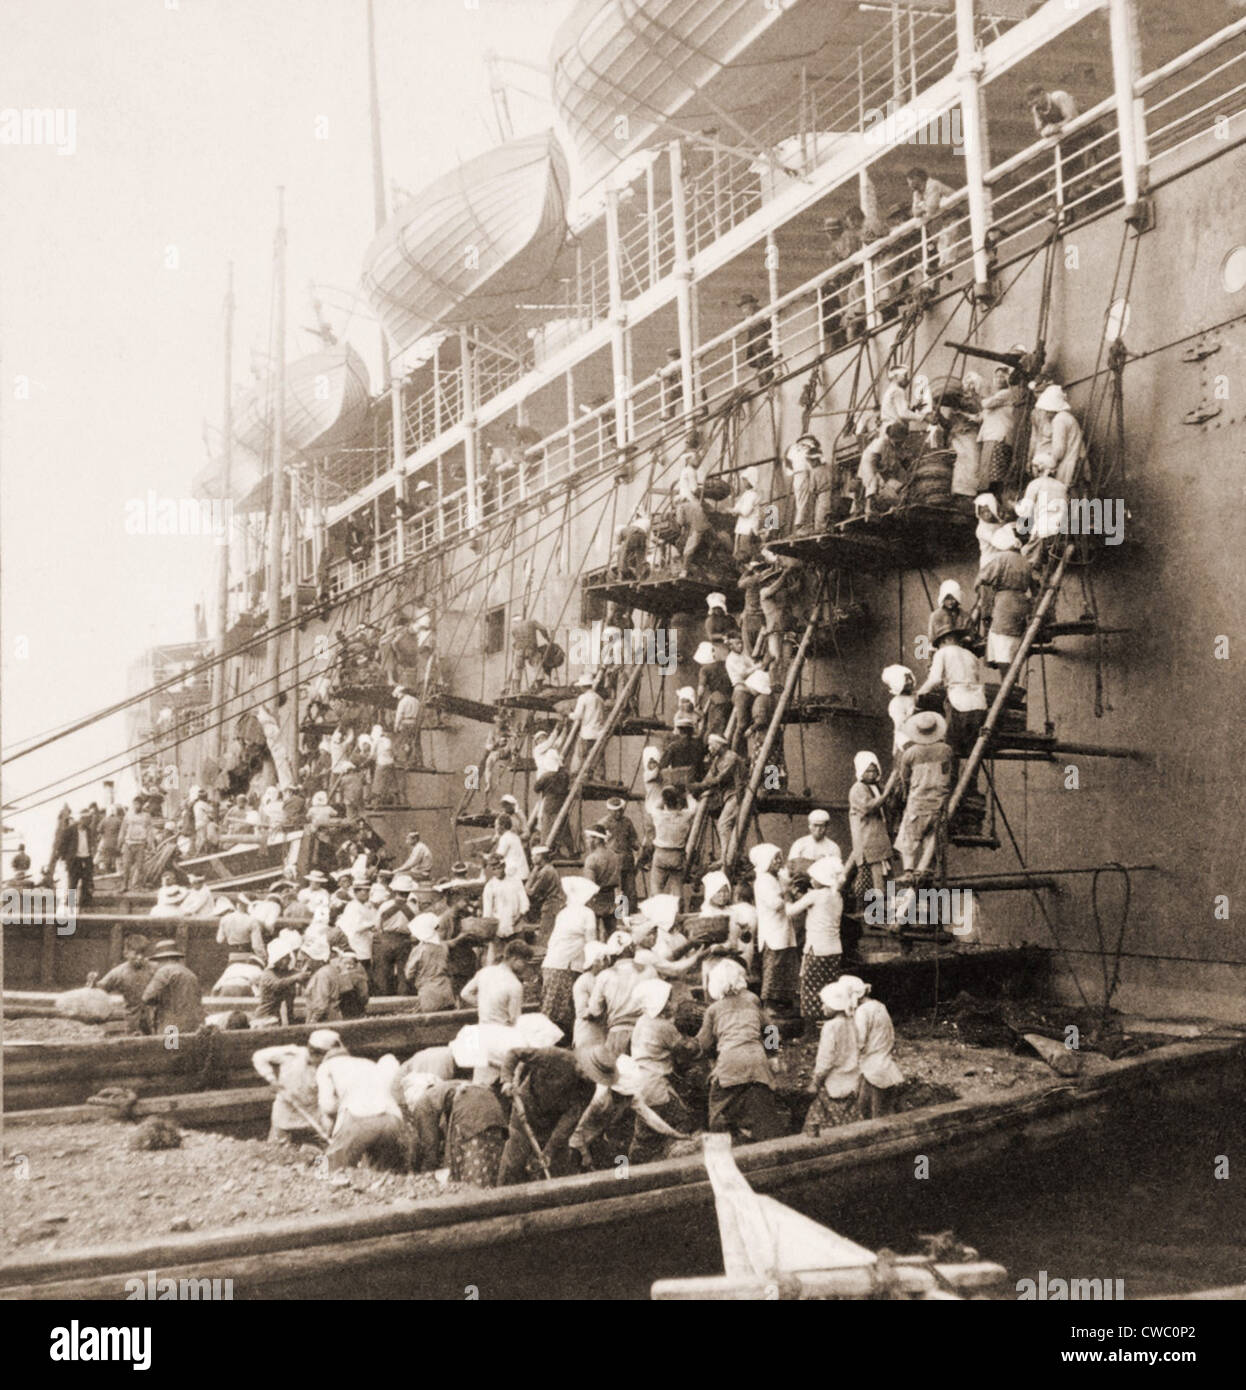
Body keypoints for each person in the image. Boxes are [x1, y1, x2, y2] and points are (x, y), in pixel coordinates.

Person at [694, 958, 786, 1144]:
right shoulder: (752, 999)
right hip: (756, 1058)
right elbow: (770, 1029)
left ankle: (722, 1142)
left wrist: (704, 1056)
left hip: (730, 1060)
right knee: (762, 1105)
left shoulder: (713, 1009)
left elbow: (703, 1044)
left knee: (718, 1107)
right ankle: (768, 1142)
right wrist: (773, 1055)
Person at [497, 1044, 604, 1183]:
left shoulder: (589, 1087)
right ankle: (503, 1196)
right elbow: (514, 1052)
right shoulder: (555, 1056)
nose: (589, 1078)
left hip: (552, 1123)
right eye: (589, 1073)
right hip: (525, 1110)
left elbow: (569, 1121)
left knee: (556, 1167)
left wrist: (549, 1152)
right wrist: (506, 1080)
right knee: (515, 1161)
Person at [622, 978, 698, 1165]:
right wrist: (695, 1041)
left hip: (642, 1083)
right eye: (669, 1000)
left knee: (645, 1133)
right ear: (660, 1004)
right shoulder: (663, 1027)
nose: (672, 1004)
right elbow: (687, 1050)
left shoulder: (642, 1021)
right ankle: (673, 1160)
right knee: (683, 1120)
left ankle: (632, 1170)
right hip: (655, 1084)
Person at [316, 1036, 406, 1172]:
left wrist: (333, 1124)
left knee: (327, 1171)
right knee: (386, 1176)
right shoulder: (367, 1063)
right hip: (393, 1119)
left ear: (319, 1055)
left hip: (358, 1118)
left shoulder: (325, 1067)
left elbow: (328, 1106)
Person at [788, 856, 846, 1031]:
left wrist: (785, 896)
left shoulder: (814, 895)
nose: (811, 880)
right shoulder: (837, 896)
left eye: (814, 878)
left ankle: (810, 1030)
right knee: (829, 987)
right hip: (835, 949)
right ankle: (829, 1024)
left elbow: (790, 911)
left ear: (821, 880)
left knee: (810, 988)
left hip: (817, 949)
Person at [894, 711, 954, 873]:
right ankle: (928, 871)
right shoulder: (946, 750)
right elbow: (949, 774)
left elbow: (904, 779)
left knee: (907, 841)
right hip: (938, 804)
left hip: (918, 804)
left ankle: (909, 872)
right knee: (931, 839)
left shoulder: (910, 754)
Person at [917, 627, 987, 762]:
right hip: (978, 702)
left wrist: (920, 693)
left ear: (945, 640)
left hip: (959, 702)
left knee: (951, 749)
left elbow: (935, 679)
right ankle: (971, 781)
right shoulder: (970, 655)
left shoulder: (942, 653)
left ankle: (952, 780)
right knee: (973, 752)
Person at [541, 876, 598, 1036]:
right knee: (565, 1009)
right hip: (567, 965)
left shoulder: (564, 912)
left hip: (552, 963)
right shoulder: (587, 913)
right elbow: (591, 942)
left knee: (552, 1008)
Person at [841, 976, 905, 1118]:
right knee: (867, 1109)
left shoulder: (862, 1012)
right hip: (880, 1066)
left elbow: (858, 1042)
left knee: (877, 1116)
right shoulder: (879, 1006)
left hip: (874, 1069)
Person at [804, 979, 861, 1133]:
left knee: (817, 1126)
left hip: (833, 1084)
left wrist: (815, 1081)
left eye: (825, 1004)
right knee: (850, 1124)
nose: (822, 1007)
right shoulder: (852, 1022)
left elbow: (825, 1060)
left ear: (834, 1005)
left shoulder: (830, 1027)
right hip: (852, 1082)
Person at [976, 523, 1032, 671]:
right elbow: (1034, 585)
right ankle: (1013, 683)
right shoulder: (1025, 561)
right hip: (1021, 602)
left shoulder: (1001, 558)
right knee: (1014, 647)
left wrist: (985, 608)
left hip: (1005, 604)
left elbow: (982, 579)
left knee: (1002, 647)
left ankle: (1007, 686)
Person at [750, 843, 797, 1016]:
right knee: (773, 966)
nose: (779, 861)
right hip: (773, 931)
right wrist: (786, 891)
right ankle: (769, 1003)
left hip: (784, 929)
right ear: (765, 861)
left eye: (779, 857)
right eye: (774, 858)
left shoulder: (777, 878)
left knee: (786, 966)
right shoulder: (762, 881)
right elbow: (776, 904)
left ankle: (783, 1001)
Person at [252, 1036, 324, 1143]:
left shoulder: (329, 1064)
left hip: (313, 1113)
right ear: (312, 1051)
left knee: (317, 1151)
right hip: (285, 1111)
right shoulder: (293, 1054)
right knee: (278, 1150)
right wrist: (271, 1079)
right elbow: (259, 1057)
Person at [689, 733, 745, 855]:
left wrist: (700, 786)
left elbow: (719, 778)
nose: (709, 749)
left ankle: (727, 856)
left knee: (723, 825)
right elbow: (709, 777)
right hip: (727, 795)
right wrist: (701, 786)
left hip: (737, 795)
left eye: (711, 746)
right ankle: (729, 854)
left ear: (718, 745)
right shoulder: (717, 759)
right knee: (724, 824)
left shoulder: (731, 757)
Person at [1015, 450, 1069, 575]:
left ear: (1039, 468)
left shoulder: (1035, 484)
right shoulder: (1062, 486)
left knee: (1022, 559)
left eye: (1034, 467)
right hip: (1060, 533)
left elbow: (1025, 512)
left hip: (1042, 533)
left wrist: (1015, 505)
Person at [849, 751, 893, 901]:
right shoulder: (858, 788)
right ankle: (879, 910)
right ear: (861, 771)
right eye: (868, 771)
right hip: (869, 840)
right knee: (877, 880)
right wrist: (886, 794)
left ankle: (889, 906)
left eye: (874, 770)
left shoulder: (877, 787)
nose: (872, 774)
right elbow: (868, 807)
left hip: (880, 839)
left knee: (887, 878)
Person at [89, 935, 154, 1034]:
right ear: (126, 953)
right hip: (133, 1023)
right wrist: (92, 983)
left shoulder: (154, 968)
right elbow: (100, 989)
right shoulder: (119, 973)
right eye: (136, 953)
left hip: (154, 1021)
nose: (140, 957)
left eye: (143, 953)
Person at [140, 940, 204, 1036]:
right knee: (186, 1051)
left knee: (170, 1049)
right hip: (193, 1027)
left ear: (162, 959)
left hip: (171, 1028)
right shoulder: (190, 973)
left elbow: (147, 997)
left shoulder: (164, 971)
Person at [461, 939, 530, 1026]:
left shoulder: (484, 971)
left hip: (483, 1029)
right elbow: (515, 1019)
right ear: (514, 959)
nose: (525, 967)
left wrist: (486, 1004)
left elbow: (465, 994)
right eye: (524, 962)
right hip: (502, 1032)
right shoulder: (515, 984)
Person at [906, 165, 955, 278]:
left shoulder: (933, 185)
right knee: (941, 240)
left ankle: (946, 266)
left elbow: (932, 207)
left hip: (954, 212)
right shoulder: (917, 193)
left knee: (948, 237)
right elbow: (914, 211)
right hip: (942, 218)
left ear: (917, 178)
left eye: (910, 181)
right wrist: (922, 208)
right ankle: (943, 267)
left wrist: (922, 208)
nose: (909, 185)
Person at [978, 367, 1021, 496]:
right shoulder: (998, 396)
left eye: (1003, 376)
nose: (999, 379)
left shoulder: (1006, 393)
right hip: (992, 436)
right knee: (990, 474)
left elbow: (986, 404)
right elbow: (981, 416)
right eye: (997, 376)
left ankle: (994, 502)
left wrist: (979, 395)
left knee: (994, 476)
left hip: (998, 436)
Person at [404, 912, 457, 1012]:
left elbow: (409, 974)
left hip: (428, 992)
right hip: (446, 990)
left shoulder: (419, 950)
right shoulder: (443, 946)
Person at [648, 786, 696, 896]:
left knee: (656, 887)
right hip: (677, 854)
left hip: (661, 853)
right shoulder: (685, 815)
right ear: (678, 802)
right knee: (677, 887)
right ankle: (677, 910)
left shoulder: (658, 815)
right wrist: (687, 794)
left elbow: (653, 806)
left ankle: (655, 909)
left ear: (665, 802)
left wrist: (666, 791)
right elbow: (694, 807)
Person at [1032, 384, 1082, 487]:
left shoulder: (1059, 420)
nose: (1045, 413)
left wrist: (1047, 463)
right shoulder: (1066, 417)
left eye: (1046, 410)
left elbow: (1059, 449)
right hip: (1076, 460)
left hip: (1069, 464)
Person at [595, 798, 641, 909]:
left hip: (627, 860)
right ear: (609, 810)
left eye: (620, 810)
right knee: (616, 890)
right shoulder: (602, 824)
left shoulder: (627, 822)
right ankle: (617, 916)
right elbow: (597, 844)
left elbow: (633, 839)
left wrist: (639, 847)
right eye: (615, 811)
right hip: (612, 862)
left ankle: (631, 913)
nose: (618, 813)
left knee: (630, 890)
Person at [533, 741, 576, 857]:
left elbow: (536, 788)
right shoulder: (564, 774)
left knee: (546, 829)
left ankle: (546, 853)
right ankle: (571, 852)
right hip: (562, 804)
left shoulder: (546, 776)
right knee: (564, 828)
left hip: (550, 804)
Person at [782, 434, 823, 532]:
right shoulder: (811, 446)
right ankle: (801, 526)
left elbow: (786, 463)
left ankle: (801, 526)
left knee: (800, 500)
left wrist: (792, 472)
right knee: (806, 500)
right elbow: (819, 462)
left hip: (797, 475)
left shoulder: (792, 448)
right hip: (806, 473)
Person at [694, 640, 733, 739]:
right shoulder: (725, 664)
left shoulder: (705, 670)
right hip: (731, 699)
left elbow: (701, 689)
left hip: (718, 701)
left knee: (713, 729)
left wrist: (697, 703)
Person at [570, 674, 608, 772]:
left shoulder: (583, 698)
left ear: (583, 687)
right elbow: (604, 716)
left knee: (582, 755)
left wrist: (569, 714)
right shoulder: (600, 699)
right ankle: (598, 776)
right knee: (597, 757)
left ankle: (583, 775)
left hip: (587, 733)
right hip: (598, 733)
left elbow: (577, 715)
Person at [737, 291, 775, 386]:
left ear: (752, 304)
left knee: (766, 374)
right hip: (759, 352)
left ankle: (766, 386)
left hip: (765, 349)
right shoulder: (751, 318)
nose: (744, 311)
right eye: (742, 308)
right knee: (763, 374)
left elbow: (769, 327)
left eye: (745, 307)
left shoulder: (761, 314)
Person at [881, 664, 917, 754]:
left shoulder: (916, 696)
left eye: (910, 678)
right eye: (905, 680)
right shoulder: (896, 703)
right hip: (906, 740)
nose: (909, 682)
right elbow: (900, 726)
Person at [119, 799, 154, 890]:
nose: (136, 806)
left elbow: (150, 831)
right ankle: (124, 886)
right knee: (126, 866)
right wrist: (120, 842)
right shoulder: (128, 815)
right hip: (129, 843)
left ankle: (139, 886)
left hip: (140, 843)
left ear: (142, 805)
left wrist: (150, 844)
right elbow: (123, 829)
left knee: (140, 866)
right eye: (134, 804)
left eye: (138, 804)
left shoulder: (146, 816)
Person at [787, 809, 835, 875]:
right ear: (809, 826)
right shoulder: (799, 844)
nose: (818, 829)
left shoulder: (833, 847)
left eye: (821, 826)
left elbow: (835, 871)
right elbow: (791, 867)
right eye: (815, 825)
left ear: (827, 827)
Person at [67, 811, 96, 906]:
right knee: (73, 881)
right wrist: (66, 858)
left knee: (86, 880)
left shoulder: (89, 831)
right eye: (88, 820)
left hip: (86, 858)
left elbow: (91, 842)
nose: (89, 822)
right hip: (75, 859)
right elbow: (63, 844)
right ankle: (70, 902)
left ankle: (85, 902)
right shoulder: (71, 830)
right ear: (82, 819)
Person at [732, 468, 761, 559]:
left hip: (748, 527)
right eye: (743, 480)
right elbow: (737, 508)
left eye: (745, 480)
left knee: (745, 553)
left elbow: (745, 512)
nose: (743, 482)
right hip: (742, 526)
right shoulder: (746, 494)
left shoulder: (753, 495)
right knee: (739, 551)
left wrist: (735, 511)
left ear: (751, 480)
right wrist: (735, 510)